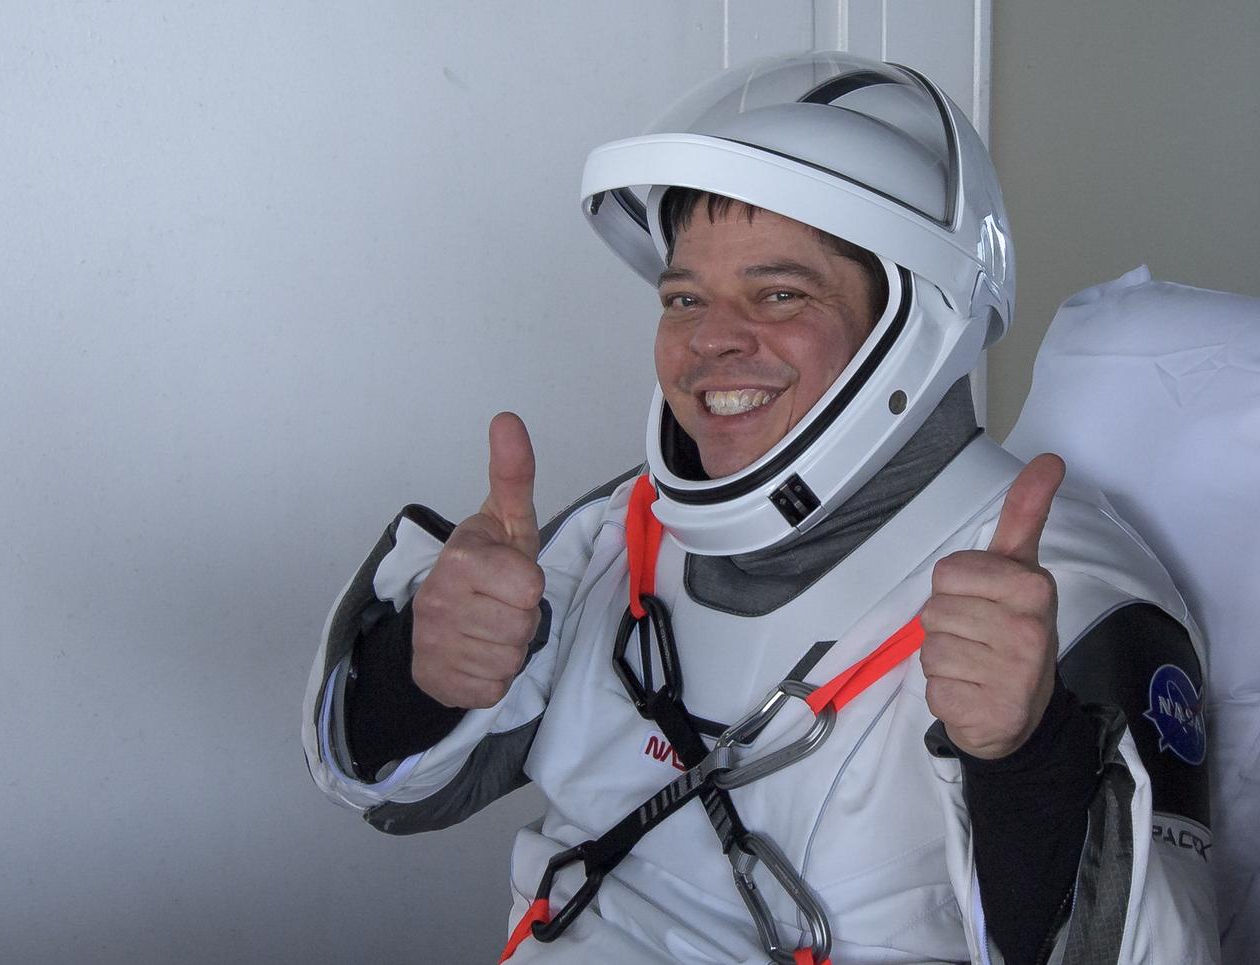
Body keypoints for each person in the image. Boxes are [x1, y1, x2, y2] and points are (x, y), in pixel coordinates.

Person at [303, 52, 1218, 963]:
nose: (708, 339)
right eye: (684, 297)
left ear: (919, 326)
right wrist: (423, 673)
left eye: (779, 292)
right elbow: (396, 787)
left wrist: (1024, 760)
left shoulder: (1071, 600)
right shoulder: (628, 528)